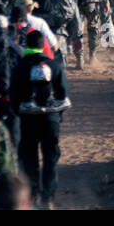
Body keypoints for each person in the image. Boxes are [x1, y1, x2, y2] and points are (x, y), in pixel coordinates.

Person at [12, 29, 70, 208]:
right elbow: (63, 94)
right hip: (50, 120)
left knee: (29, 158)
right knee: (50, 159)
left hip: (28, 120)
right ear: (42, 46)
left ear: (27, 45)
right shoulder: (54, 66)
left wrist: (19, 114)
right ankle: (49, 198)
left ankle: (33, 194)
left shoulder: (20, 66)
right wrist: (56, 117)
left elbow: (13, 96)